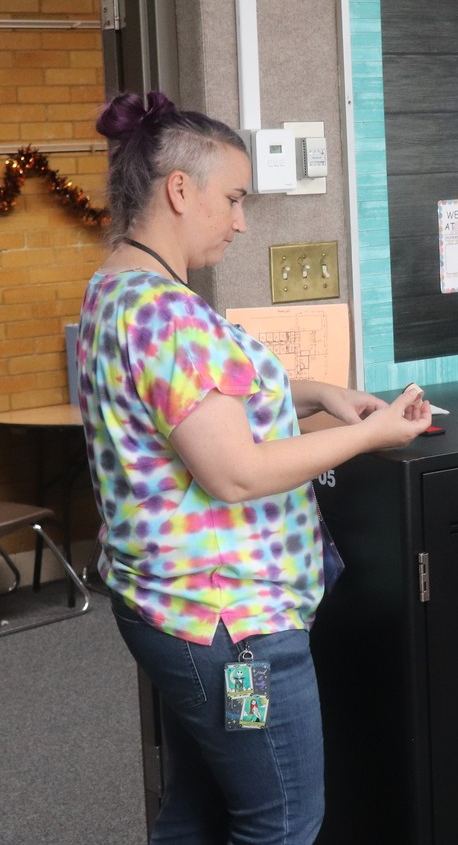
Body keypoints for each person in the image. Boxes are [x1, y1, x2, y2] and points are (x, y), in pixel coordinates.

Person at [77, 90, 432, 844]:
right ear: (181, 189)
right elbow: (234, 472)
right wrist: (369, 439)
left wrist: (316, 394)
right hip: (231, 627)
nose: (241, 221)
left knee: (203, 805)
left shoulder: (117, 292)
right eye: (233, 198)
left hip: (169, 606)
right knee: (281, 819)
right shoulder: (170, 316)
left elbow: (195, 411)